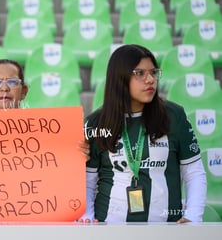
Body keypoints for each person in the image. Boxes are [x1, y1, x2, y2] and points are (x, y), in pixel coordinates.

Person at [81, 44, 206, 223]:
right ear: (120, 78)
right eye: (140, 73)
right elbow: (88, 181)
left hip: (166, 230)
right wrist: (87, 217)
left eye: (153, 72)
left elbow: (193, 171)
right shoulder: (95, 123)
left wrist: (193, 217)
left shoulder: (174, 115)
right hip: (110, 228)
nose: (150, 80)